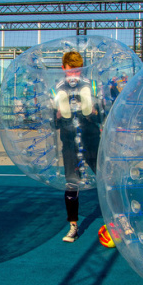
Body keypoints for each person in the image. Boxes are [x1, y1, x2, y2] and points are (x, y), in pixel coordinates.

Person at [53, 50, 102, 242]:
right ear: (63, 69)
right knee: (71, 182)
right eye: (71, 71)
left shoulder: (91, 86)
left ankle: (118, 219)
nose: (74, 75)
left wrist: (94, 111)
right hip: (69, 140)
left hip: (90, 138)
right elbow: (53, 123)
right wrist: (57, 115)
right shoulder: (55, 90)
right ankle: (73, 225)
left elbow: (101, 117)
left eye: (78, 72)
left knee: (105, 178)